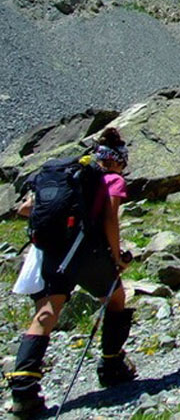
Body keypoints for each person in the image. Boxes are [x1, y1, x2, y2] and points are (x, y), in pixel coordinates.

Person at [6, 128, 135, 416]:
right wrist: (117, 258)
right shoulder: (110, 179)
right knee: (115, 298)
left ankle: (23, 390)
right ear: (117, 160)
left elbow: (26, 209)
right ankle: (112, 364)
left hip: (53, 250)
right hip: (86, 250)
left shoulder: (67, 173)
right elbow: (109, 219)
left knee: (49, 309)